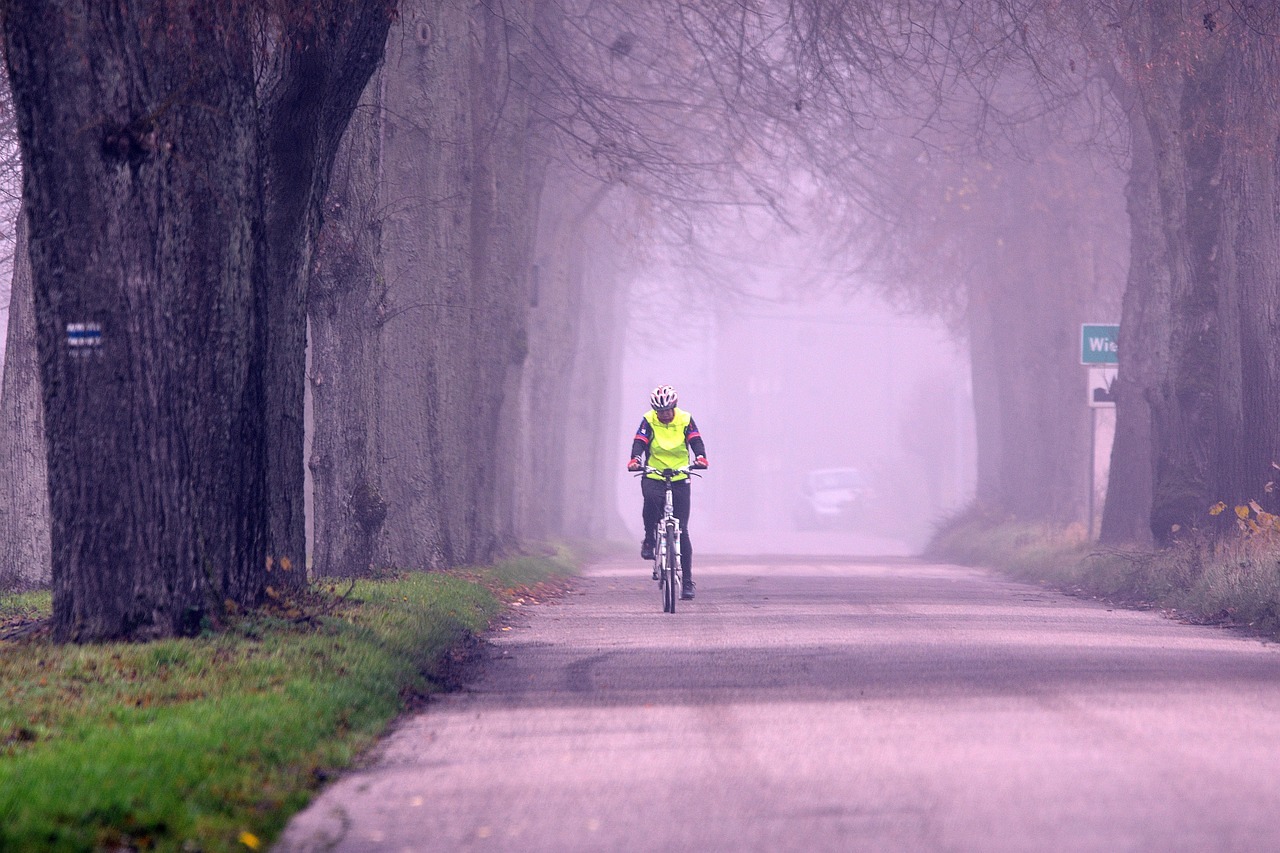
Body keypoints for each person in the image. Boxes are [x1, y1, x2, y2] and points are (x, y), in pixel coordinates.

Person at [626, 384, 708, 599]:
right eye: (660, 412)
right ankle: (649, 539)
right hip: (654, 474)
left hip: (680, 475)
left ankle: (688, 582)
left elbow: (695, 440)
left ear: (674, 407)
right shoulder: (648, 420)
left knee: (682, 529)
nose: (664, 415)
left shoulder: (685, 419)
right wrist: (635, 460)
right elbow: (639, 442)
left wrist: (700, 457)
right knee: (651, 500)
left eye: (667, 411)